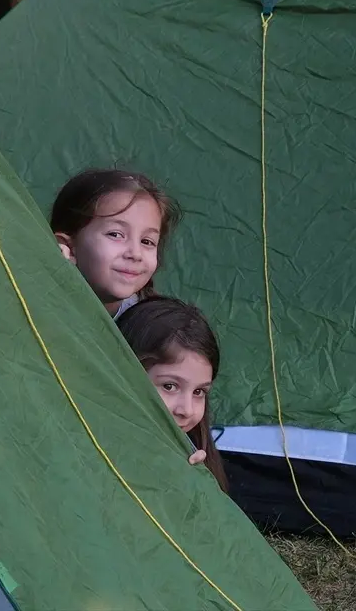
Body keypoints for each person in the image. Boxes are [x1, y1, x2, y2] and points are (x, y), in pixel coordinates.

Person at [116, 296, 228, 491]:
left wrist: (193, 486)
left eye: (199, 391)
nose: (187, 410)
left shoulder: (193, 458)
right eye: (169, 386)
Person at [50, 169, 181, 318]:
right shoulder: (34, 296)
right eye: (115, 234)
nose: (135, 254)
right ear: (68, 246)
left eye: (147, 241)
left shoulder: (151, 325)